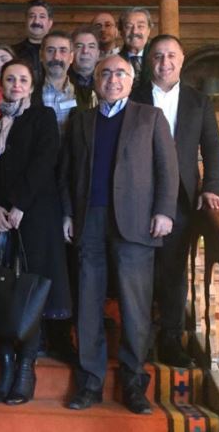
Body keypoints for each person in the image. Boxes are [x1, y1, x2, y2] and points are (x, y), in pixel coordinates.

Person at [61, 54, 179, 414]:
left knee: (135, 305)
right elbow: (66, 172)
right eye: (106, 73)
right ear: (96, 80)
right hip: (90, 220)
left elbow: (167, 168)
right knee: (88, 302)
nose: (113, 79)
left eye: (120, 74)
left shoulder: (150, 117)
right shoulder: (80, 120)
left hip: (137, 221)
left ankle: (133, 382)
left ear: (131, 80)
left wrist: (164, 211)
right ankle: (90, 382)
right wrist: (67, 213)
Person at [132, 34, 219, 367]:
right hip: (137, 195)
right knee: (138, 271)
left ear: (182, 59)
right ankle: (139, 339)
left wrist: (212, 187)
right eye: (158, 56)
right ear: (149, 61)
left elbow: (213, 148)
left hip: (181, 198)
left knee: (173, 271)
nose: (165, 62)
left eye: (171, 55)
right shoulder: (133, 96)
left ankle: (170, 339)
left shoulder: (198, 102)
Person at [0, 59, 71, 406]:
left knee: (30, 292)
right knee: (4, 292)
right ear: (1, 85)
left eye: (22, 80)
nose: (16, 84)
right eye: (10, 79)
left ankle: (25, 370)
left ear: (32, 87)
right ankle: (5, 366)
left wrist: (20, 204)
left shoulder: (43, 117)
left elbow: (44, 162)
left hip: (34, 217)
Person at [37, 30, 76, 138]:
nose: (56, 57)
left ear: (71, 57)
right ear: (41, 56)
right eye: (50, 50)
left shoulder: (85, 95)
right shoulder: (29, 94)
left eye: (63, 51)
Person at [14, 0, 54, 87]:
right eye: (32, 16)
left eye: (42, 17)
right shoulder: (13, 52)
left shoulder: (60, 53)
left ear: (50, 23)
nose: (36, 21)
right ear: (26, 21)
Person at [118, 7, 154, 89]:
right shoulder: (114, 61)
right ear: (121, 32)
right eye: (128, 26)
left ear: (149, 30)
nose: (134, 31)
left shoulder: (159, 59)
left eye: (140, 26)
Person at [68, 25, 101, 111]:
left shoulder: (106, 80)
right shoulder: (61, 81)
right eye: (79, 46)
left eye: (91, 46)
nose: (85, 51)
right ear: (71, 52)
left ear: (98, 54)